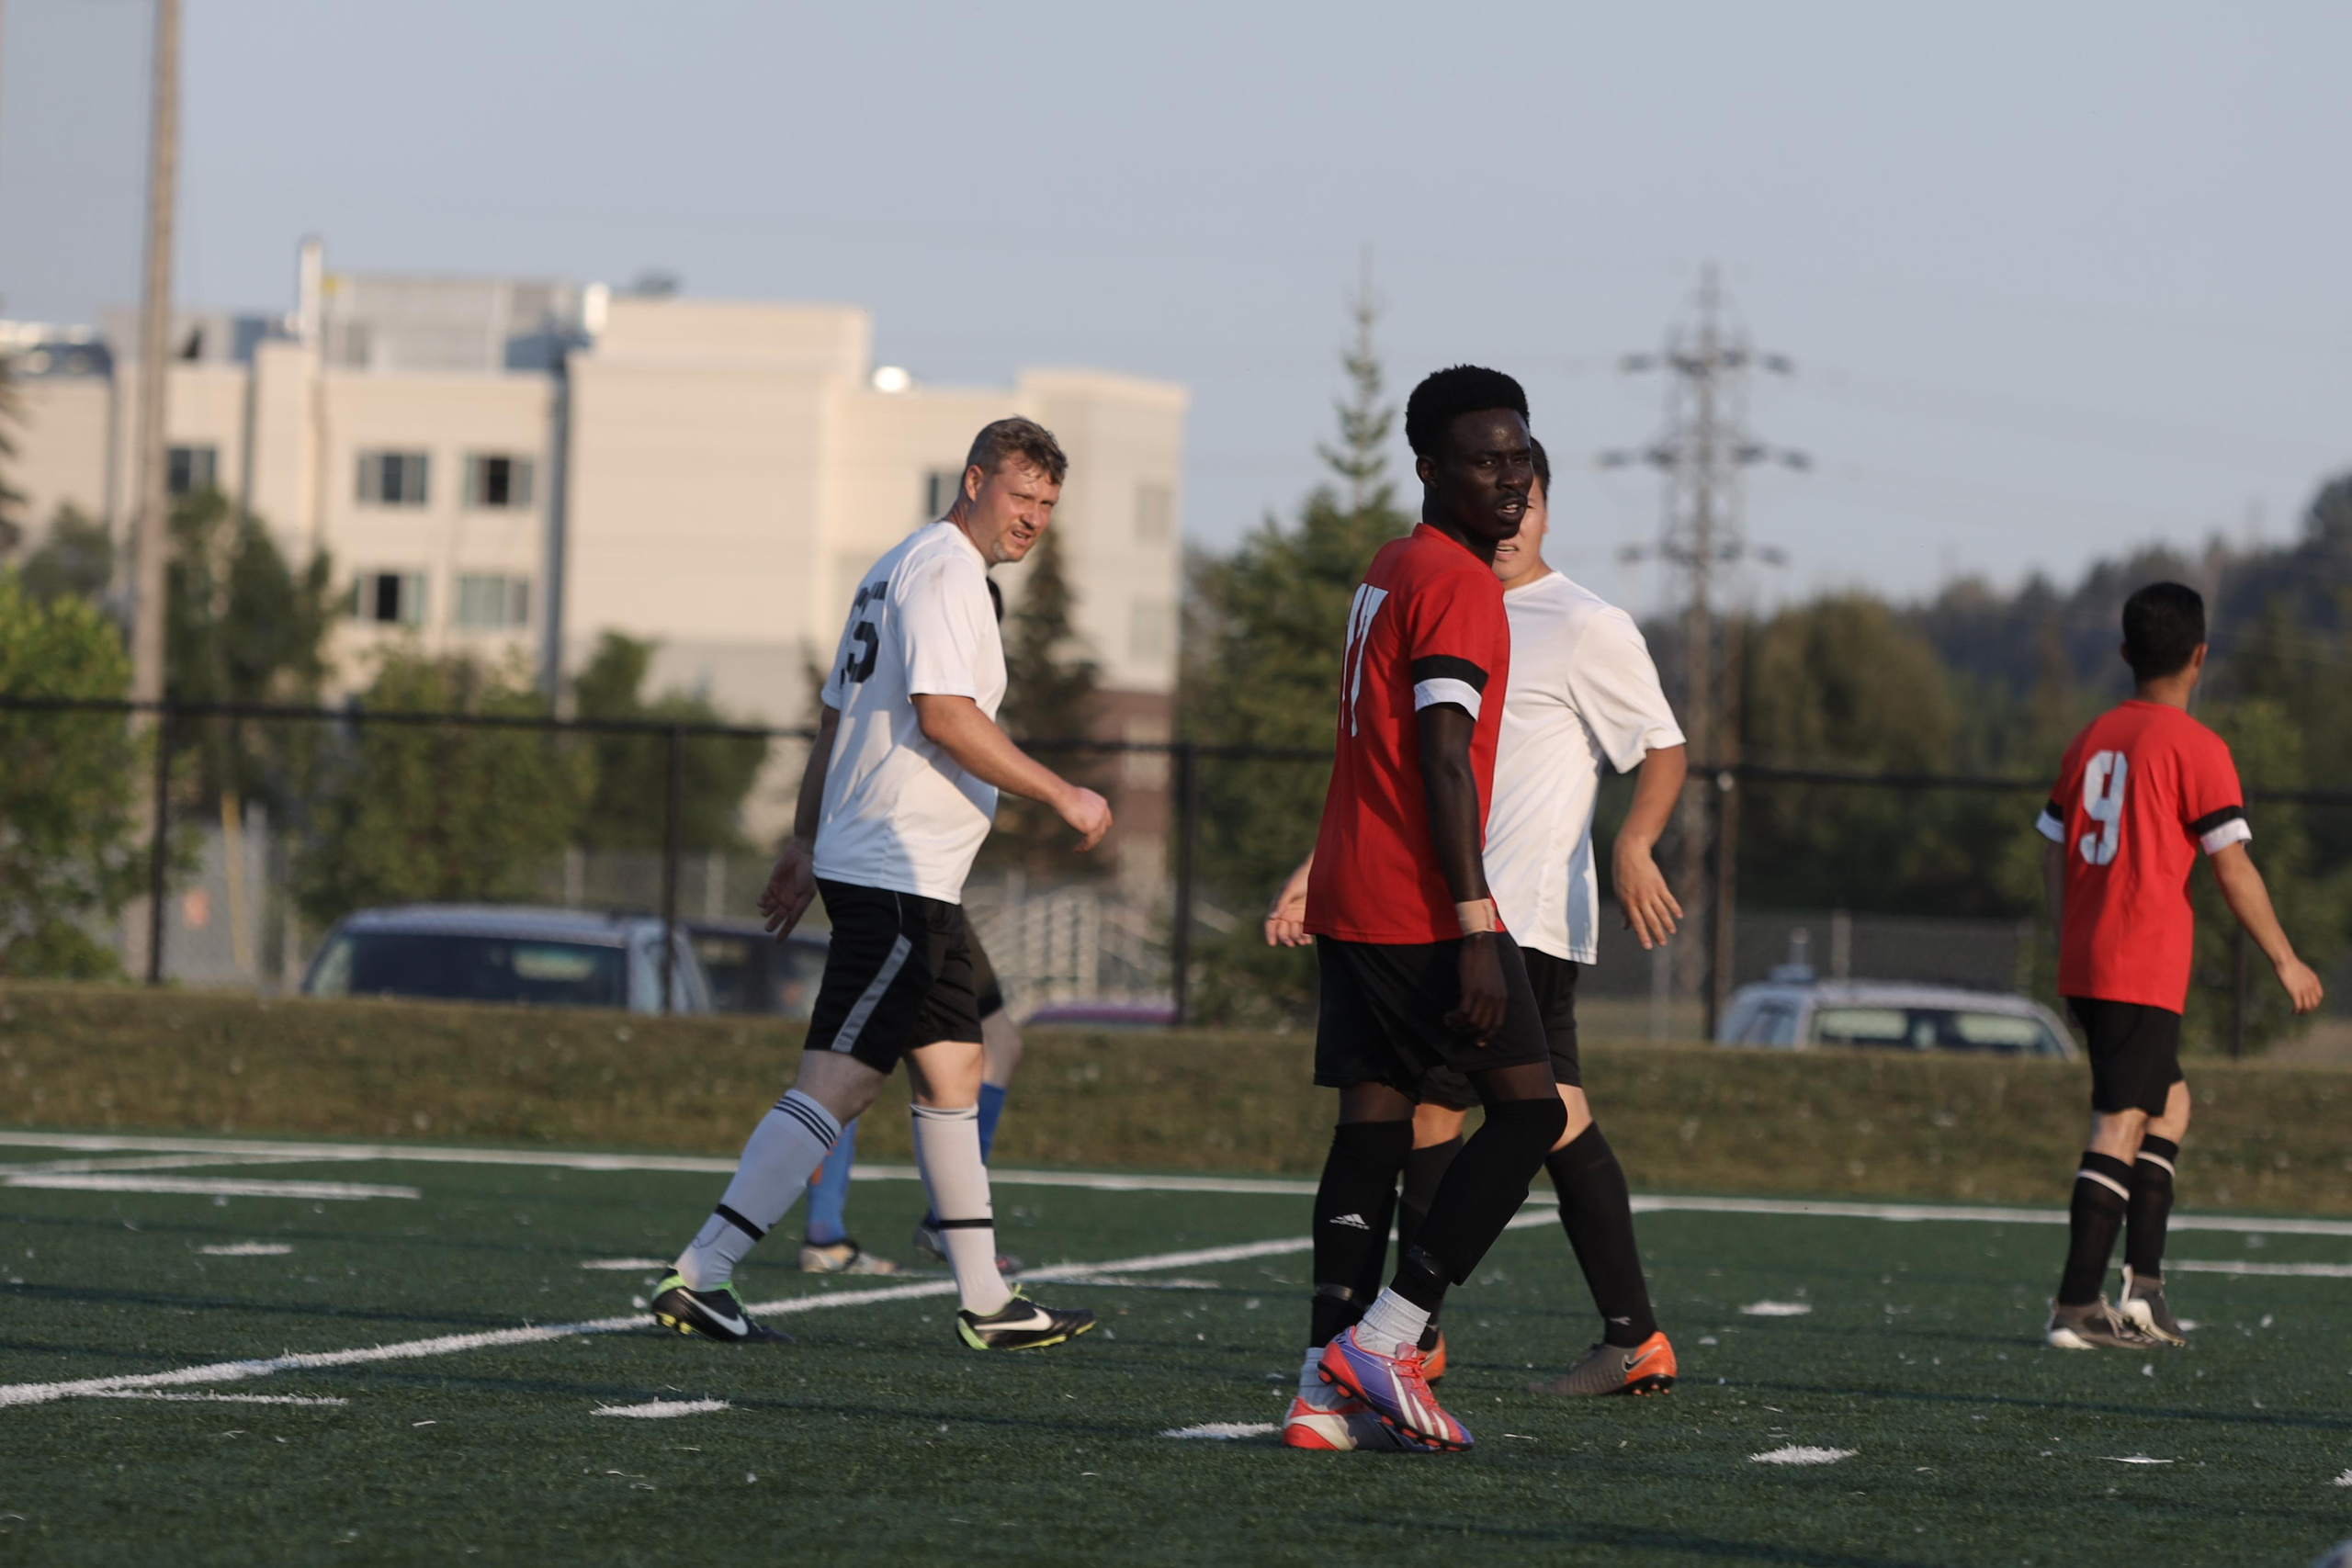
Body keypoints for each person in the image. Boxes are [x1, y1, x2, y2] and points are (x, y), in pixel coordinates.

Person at [650, 417, 1109, 1351]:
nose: (1032, 519)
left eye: (1048, 506)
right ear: (973, 480)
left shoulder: (897, 565)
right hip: (895, 872)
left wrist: (803, 837)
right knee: (839, 1083)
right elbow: (943, 716)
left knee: (957, 1067)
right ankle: (702, 1273)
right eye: (1020, 497)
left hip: (908, 874)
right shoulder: (945, 573)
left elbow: (836, 719)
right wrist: (1059, 790)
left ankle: (984, 1301)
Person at [1269, 438, 1685, 1444]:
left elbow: (1660, 747)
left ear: (1546, 507)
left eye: (1527, 488)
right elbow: (1398, 760)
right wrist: (1317, 868)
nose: (1512, 501)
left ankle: (1379, 1347)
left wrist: (1633, 841)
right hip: (1435, 907)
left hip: (1510, 914)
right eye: (1495, 477)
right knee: (1505, 1114)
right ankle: (1392, 1347)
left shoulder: (1578, 620)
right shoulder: (1435, 584)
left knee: (1474, 1116)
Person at [1283, 365, 1570, 1454]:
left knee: (1371, 1122)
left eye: (1520, 456)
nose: (1509, 478)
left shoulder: (1389, 566)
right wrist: (1475, 921)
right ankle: (1391, 1335)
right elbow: (1441, 760)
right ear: (1429, 469)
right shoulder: (1452, 581)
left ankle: (1318, 1390)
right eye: (1484, 460)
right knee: (1532, 1112)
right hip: (1412, 900)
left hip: (1353, 888)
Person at [2034, 581, 2324, 1350]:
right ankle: (2075, 1306)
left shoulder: (2091, 737)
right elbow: (2233, 868)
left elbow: (2053, 845)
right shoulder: (2197, 748)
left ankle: (2143, 1288)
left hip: (2094, 957)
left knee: (2170, 1106)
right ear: (2200, 656)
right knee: (2121, 1120)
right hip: (2140, 963)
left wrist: (2069, 944)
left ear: (2127, 654)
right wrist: (2286, 958)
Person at [799, 934, 1027, 1277]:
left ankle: (947, 1224)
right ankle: (822, 1235)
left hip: (940, 905)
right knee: (845, 1065)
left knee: (998, 1045)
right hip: (905, 901)